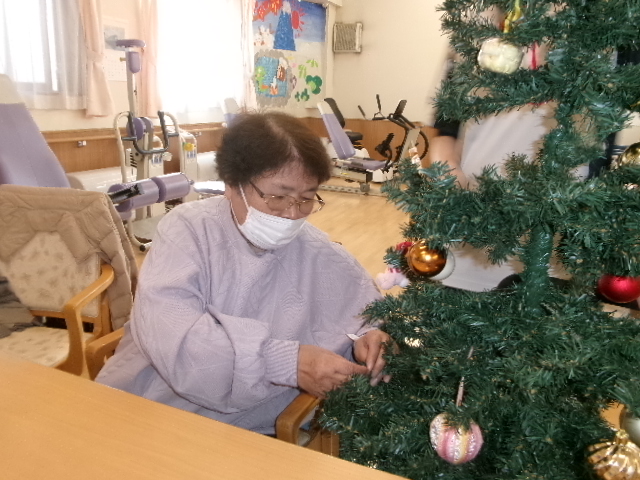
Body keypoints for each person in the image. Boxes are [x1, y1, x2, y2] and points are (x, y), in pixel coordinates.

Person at [97, 111, 392, 435]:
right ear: (232, 185)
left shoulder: (315, 248)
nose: (291, 214)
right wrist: (286, 362)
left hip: (253, 424)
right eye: (277, 197)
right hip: (159, 406)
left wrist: (369, 337)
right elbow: (177, 339)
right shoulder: (188, 232)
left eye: (307, 199)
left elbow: (364, 309)